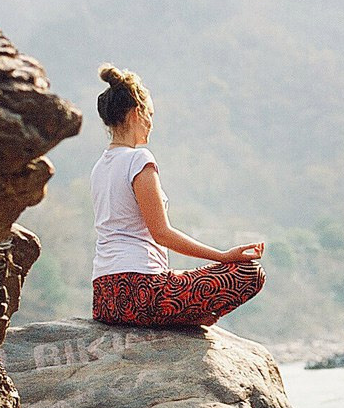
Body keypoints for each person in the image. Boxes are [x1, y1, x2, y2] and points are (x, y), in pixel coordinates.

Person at [90, 63, 265, 327]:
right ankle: (189, 318)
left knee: (179, 279)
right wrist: (223, 256)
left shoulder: (99, 167)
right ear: (137, 113)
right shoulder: (139, 159)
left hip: (105, 299)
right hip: (143, 293)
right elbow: (161, 233)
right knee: (250, 273)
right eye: (150, 114)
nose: (151, 123)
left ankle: (186, 317)